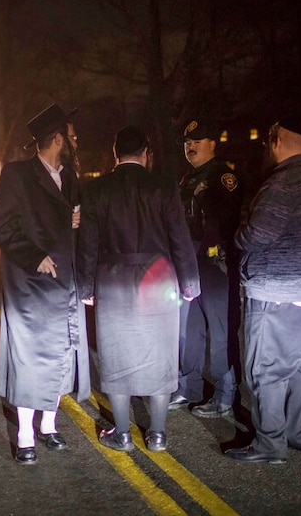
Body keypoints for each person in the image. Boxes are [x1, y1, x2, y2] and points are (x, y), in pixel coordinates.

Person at [77, 126, 200, 452]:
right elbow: (179, 237)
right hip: (158, 279)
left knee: (116, 356)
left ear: (115, 153)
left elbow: (87, 244)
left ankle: (123, 434)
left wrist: (85, 286)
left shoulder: (96, 189)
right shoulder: (163, 186)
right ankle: (157, 435)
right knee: (161, 356)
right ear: (146, 153)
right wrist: (190, 282)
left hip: (113, 280)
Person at [225, 116, 301, 464]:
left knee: (266, 370)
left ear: (275, 140)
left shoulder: (281, 184)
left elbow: (258, 235)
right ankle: (299, 435)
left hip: (276, 289)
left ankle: (270, 444)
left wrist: (237, 235)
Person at [0, 103, 90, 464]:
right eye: (72, 137)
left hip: (65, 282)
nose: (76, 142)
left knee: (64, 352)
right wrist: (35, 257)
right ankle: (25, 435)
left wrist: (76, 224)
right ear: (57, 139)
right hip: (31, 284)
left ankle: (49, 426)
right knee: (31, 360)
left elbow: (72, 224)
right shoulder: (17, 175)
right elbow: (4, 229)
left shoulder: (73, 178)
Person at [170, 119, 244, 418]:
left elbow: (225, 218)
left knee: (221, 330)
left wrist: (202, 196)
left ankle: (226, 396)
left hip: (216, 262)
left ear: (213, 143)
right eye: (187, 142)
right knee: (190, 329)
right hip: (191, 260)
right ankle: (189, 387)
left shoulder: (224, 175)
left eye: (197, 141)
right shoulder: (188, 177)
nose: (190, 146)